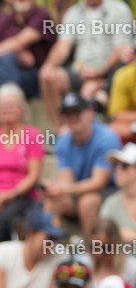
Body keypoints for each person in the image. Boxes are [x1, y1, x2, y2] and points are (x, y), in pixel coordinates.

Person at [39, 0, 135, 129]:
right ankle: (61, 132)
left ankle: (98, 107)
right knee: (48, 76)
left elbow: (121, 49)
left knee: (115, 72)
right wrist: (49, 65)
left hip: (110, 72)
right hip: (80, 71)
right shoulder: (73, 13)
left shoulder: (120, 10)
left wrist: (101, 71)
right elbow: (63, 46)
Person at [0, 83, 46, 256]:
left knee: (0, 219)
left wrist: (11, 195)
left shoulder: (33, 135)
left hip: (21, 196)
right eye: (2, 106)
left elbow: (34, 175)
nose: (6, 110)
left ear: (22, 108)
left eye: (11, 105)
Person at [43, 93, 121, 237]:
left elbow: (99, 183)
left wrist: (64, 188)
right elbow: (65, 178)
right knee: (53, 200)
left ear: (90, 112)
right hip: (80, 191)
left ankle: (93, 255)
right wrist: (55, 189)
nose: (72, 118)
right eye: (67, 114)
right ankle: (50, 251)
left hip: (111, 192)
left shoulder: (106, 137)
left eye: (76, 112)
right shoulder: (63, 140)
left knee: (87, 201)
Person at [100, 143, 136, 243]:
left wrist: (133, 235)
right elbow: (102, 239)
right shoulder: (111, 203)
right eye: (115, 165)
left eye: (124, 166)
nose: (117, 170)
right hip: (122, 258)